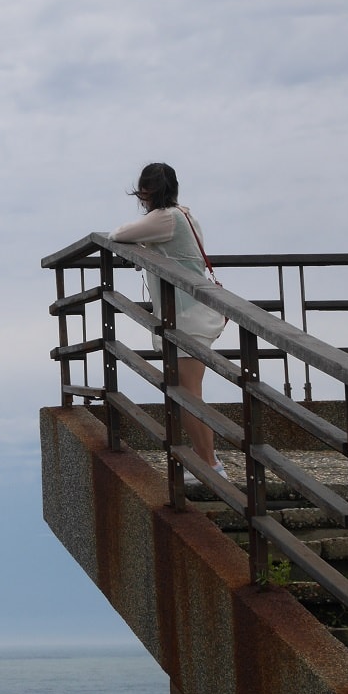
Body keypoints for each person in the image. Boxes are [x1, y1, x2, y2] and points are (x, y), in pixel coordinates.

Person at [109, 162, 228, 482]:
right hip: (194, 314)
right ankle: (210, 461)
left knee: (186, 394)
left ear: (147, 191)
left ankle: (212, 467)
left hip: (187, 318)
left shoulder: (164, 218)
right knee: (188, 392)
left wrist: (139, 243)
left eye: (144, 193)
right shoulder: (184, 214)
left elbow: (117, 234)